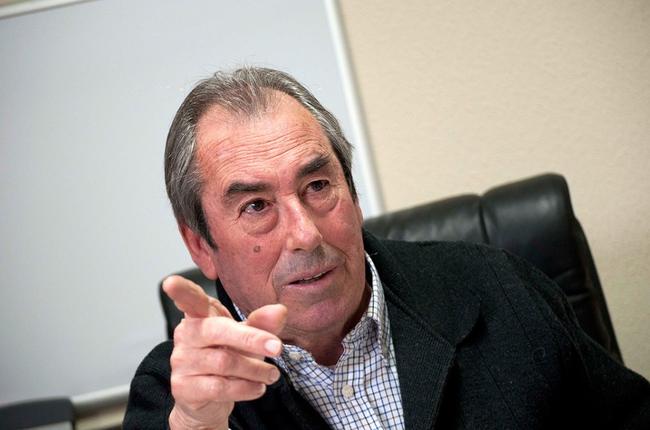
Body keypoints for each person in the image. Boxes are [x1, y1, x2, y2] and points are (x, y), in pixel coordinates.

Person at [124, 67, 649, 429]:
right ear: (201, 245)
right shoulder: (174, 395)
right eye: (256, 206)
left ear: (353, 195)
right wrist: (197, 424)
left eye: (318, 186)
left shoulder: (501, 290)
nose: (305, 234)